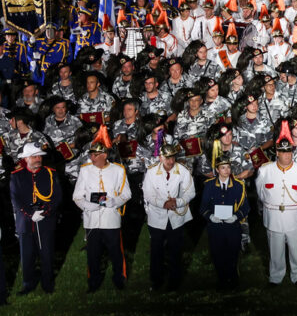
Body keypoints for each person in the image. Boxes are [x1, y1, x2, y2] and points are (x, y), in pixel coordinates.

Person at [73, 125, 132, 292]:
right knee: (93, 254)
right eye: (91, 154)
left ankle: (119, 279)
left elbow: (127, 193)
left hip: (111, 218)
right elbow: (77, 196)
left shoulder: (118, 170)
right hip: (91, 220)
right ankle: (93, 282)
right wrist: (87, 206)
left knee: (116, 252)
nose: (92, 157)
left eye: (95, 155)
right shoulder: (85, 171)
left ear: (105, 155)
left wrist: (114, 202)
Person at [256, 122, 297, 286]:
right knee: (275, 249)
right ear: (277, 152)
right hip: (273, 216)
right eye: (283, 152)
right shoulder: (265, 170)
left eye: (289, 151)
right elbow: (261, 193)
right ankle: (276, 276)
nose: (287, 155)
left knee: (296, 248)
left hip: (294, 216)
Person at [10, 142, 63, 296]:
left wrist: (45, 212)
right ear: (26, 159)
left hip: (46, 220)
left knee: (47, 254)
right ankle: (28, 284)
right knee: (26, 255)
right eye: (34, 157)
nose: (38, 159)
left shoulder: (50, 173)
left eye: (39, 156)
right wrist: (29, 214)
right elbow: (15, 199)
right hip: (25, 222)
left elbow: (57, 196)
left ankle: (48, 284)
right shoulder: (16, 176)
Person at [140, 143, 195, 291]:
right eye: (167, 158)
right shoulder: (151, 172)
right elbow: (148, 194)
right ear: (161, 157)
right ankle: (156, 281)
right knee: (156, 250)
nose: (171, 161)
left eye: (173, 158)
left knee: (175, 249)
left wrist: (178, 202)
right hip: (157, 216)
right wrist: (163, 203)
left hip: (176, 216)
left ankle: (174, 281)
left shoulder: (182, 170)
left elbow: (190, 192)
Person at [200, 152, 249, 289]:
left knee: (233, 253)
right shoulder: (209, 185)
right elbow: (203, 207)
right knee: (217, 254)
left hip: (232, 227)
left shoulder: (239, 185)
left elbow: (246, 207)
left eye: (228, 167)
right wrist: (210, 216)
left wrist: (236, 216)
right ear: (217, 170)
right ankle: (222, 279)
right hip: (215, 228)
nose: (226, 170)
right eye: (223, 168)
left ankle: (233, 279)